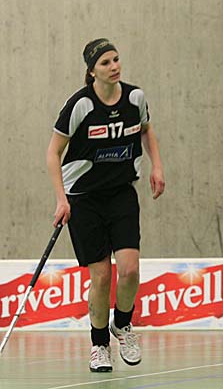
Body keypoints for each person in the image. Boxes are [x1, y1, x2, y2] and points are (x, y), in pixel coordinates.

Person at [46, 38, 165, 373]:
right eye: (105, 63)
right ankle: (99, 345)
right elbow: (53, 152)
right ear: (92, 71)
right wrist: (61, 199)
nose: (114, 67)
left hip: (121, 193)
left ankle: (122, 324)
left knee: (129, 270)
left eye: (116, 59)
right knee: (100, 277)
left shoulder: (135, 97)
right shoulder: (80, 105)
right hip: (84, 199)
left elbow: (147, 130)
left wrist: (157, 166)